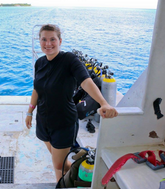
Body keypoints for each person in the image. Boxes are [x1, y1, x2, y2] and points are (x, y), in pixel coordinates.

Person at [25, 24, 118, 182]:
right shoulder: (39, 63)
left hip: (64, 122)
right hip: (43, 120)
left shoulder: (69, 60)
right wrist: (30, 111)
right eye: (44, 39)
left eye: (52, 39)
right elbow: (37, 89)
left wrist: (103, 103)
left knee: (58, 163)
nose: (48, 43)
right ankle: (66, 179)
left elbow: (86, 81)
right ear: (39, 41)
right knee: (58, 162)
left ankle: (74, 180)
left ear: (60, 41)